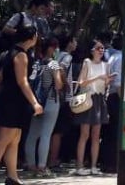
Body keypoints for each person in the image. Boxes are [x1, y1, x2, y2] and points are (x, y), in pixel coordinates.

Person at [0, 22, 43, 185]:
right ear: (31, 38)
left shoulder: (7, 54)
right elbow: (23, 81)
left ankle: (12, 176)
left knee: (14, 139)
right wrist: (35, 103)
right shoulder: (21, 55)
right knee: (3, 139)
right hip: (12, 101)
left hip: (9, 100)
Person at [72, 39, 113, 176]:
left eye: (102, 48)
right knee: (84, 134)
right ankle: (79, 166)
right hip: (88, 98)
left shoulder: (106, 65)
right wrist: (97, 78)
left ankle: (94, 166)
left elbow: (105, 85)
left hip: (100, 99)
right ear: (92, 50)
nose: (101, 50)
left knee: (96, 135)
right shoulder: (87, 63)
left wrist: (107, 81)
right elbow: (81, 83)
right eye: (98, 48)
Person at [24, 36, 62, 178]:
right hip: (51, 101)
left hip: (36, 102)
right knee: (46, 135)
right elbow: (58, 84)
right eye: (56, 47)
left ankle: (31, 165)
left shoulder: (37, 64)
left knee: (32, 135)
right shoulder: (53, 64)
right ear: (51, 48)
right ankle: (42, 167)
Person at [47, 34, 77, 172]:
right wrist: (67, 86)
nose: (76, 43)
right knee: (58, 132)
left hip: (51, 95)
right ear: (70, 43)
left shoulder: (56, 55)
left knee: (49, 130)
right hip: (63, 97)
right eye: (74, 41)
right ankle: (53, 160)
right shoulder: (67, 57)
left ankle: (46, 159)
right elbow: (62, 70)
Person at [97, 31, 123, 174]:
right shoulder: (121, 57)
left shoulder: (112, 57)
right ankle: (112, 164)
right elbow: (119, 84)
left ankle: (105, 163)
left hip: (109, 96)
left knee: (108, 132)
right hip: (117, 97)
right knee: (115, 132)